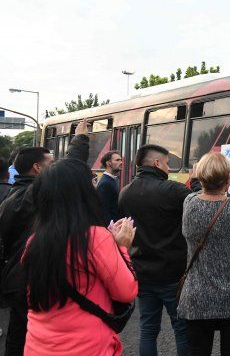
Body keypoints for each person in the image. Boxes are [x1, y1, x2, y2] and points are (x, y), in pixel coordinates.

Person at [21, 158, 138, 356]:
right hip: (88, 347)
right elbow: (126, 291)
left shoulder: (34, 240)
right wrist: (122, 248)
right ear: (83, 193)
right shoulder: (95, 237)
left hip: (37, 344)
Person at [0, 120, 89, 356]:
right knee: (32, 336)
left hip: (14, 277)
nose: (55, 167)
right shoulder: (32, 195)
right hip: (30, 277)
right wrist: (79, 142)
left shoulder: (11, 196)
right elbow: (69, 171)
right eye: (51, 163)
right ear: (38, 169)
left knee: (18, 335)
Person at [118, 144, 201, 356]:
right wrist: (196, 181)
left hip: (141, 272)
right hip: (173, 273)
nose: (169, 169)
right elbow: (201, 205)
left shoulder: (125, 192)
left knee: (148, 328)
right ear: (157, 163)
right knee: (182, 328)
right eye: (166, 163)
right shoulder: (172, 190)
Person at [178, 153, 230, 356]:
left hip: (197, 298)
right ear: (228, 180)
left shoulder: (189, 203)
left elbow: (197, 190)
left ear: (201, 178)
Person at [97, 150, 123, 224]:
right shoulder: (105, 183)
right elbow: (103, 211)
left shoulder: (110, 180)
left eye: (121, 160)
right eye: (117, 160)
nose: (121, 162)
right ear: (108, 163)